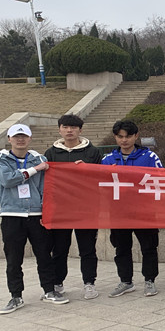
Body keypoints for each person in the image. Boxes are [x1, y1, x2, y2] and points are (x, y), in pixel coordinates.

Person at [0, 124, 68, 314]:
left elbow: (45, 187)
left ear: (30, 138)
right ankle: (16, 296)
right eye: (16, 136)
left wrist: (45, 212)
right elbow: (7, 180)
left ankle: (49, 290)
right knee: (13, 258)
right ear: (9, 139)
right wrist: (34, 169)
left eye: (24, 136)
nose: (20, 139)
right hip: (12, 215)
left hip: (36, 215)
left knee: (44, 255)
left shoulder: (39, 158)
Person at [101, 120, 164, 297]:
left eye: (128, 136)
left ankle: (150, 280)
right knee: (121, 248)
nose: (124, 140)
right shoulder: (107, 160)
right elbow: (98, 184)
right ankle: (125, 281)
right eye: (120, 136)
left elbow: (161, 179)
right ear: (115, 137)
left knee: (149, 247)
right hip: (118, 212)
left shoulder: (150, 157)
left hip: (144, 211)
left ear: (136, 136)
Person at [44, 114, 103, 300]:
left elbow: (101, 177)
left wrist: (88, 169)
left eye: (73, 127)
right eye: (65, 127)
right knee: (59, 249)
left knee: (88, 249)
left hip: (86, 209)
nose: (69, 130)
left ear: (80, 130)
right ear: (59, 130)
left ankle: (89, 283)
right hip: (60, 210)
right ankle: (57, 283)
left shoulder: (92, 152)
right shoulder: (51, 153)